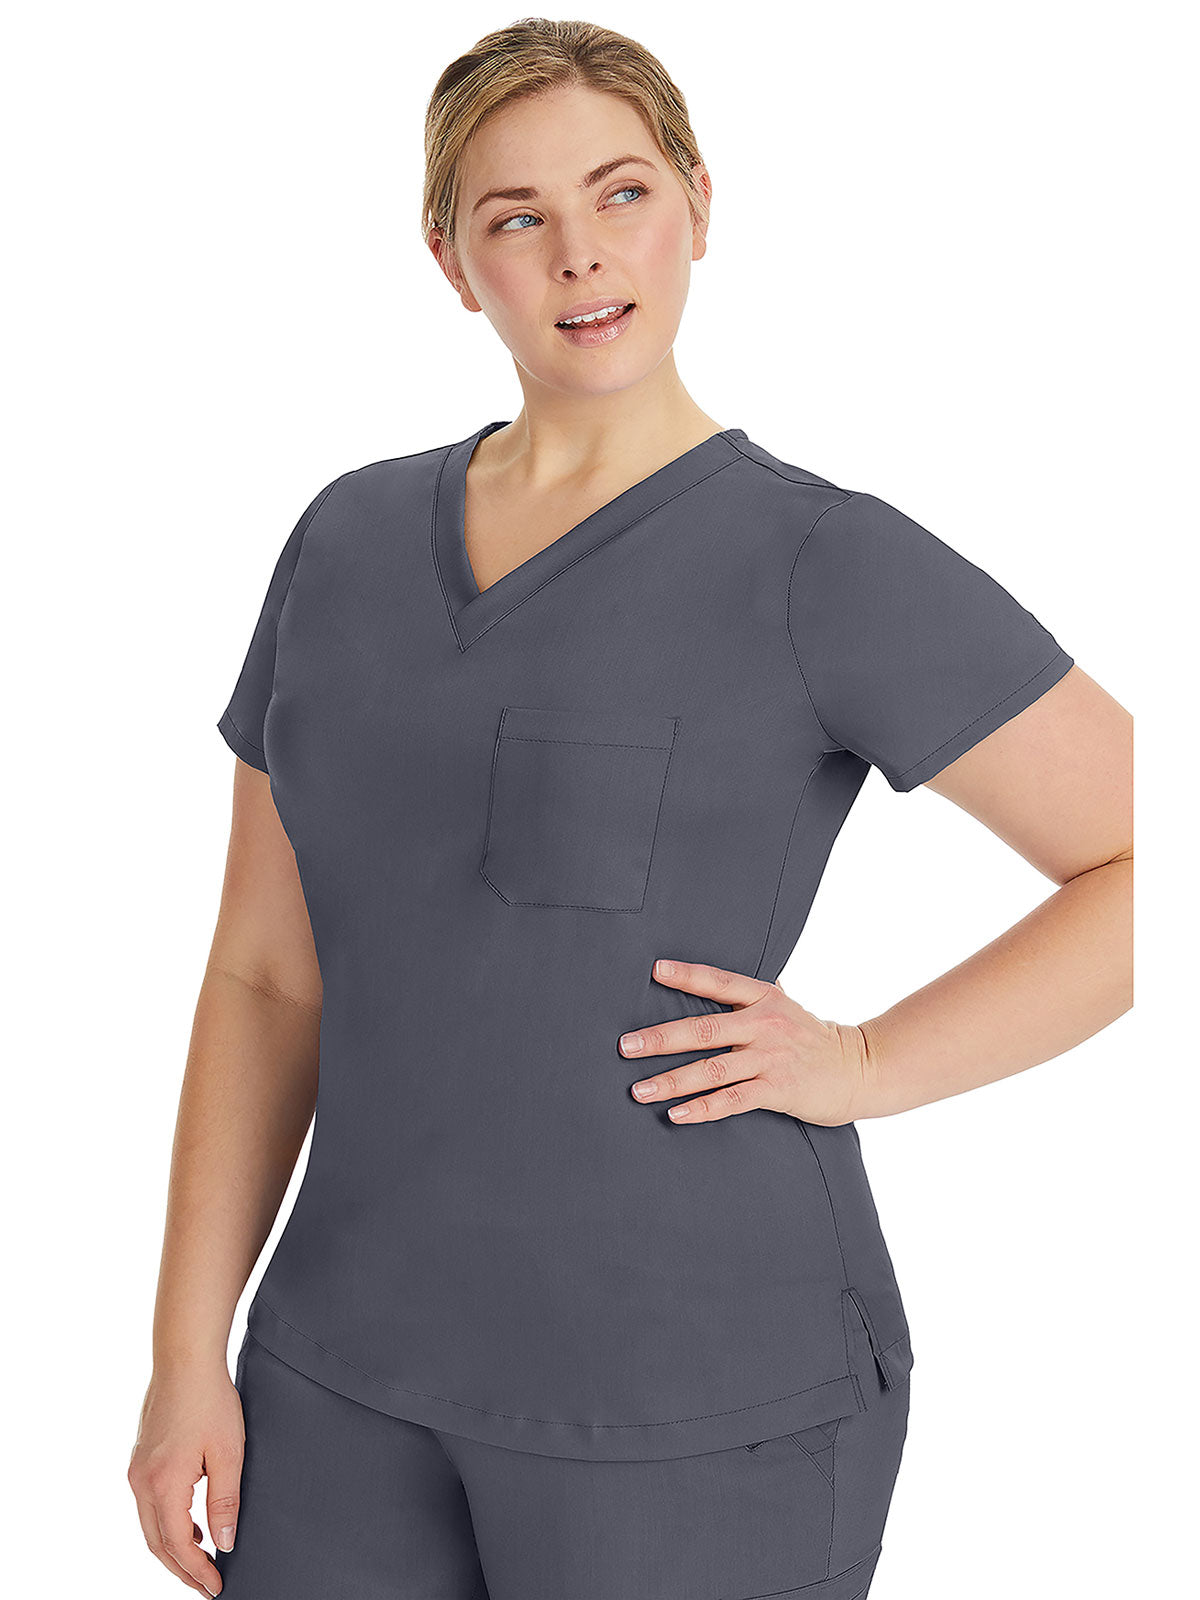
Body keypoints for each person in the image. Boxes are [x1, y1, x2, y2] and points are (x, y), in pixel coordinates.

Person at [127, 18, 1133, 1600]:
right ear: (452, 261)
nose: (580, 255)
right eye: (516, 215)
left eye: (622, 194)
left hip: (700, 1399)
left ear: (699, 206)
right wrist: (188, 1349)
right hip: (339, 1383)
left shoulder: (822, 563)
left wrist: (868, 1061)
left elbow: (1144, 856)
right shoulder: (345, 543)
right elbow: (266, 976)